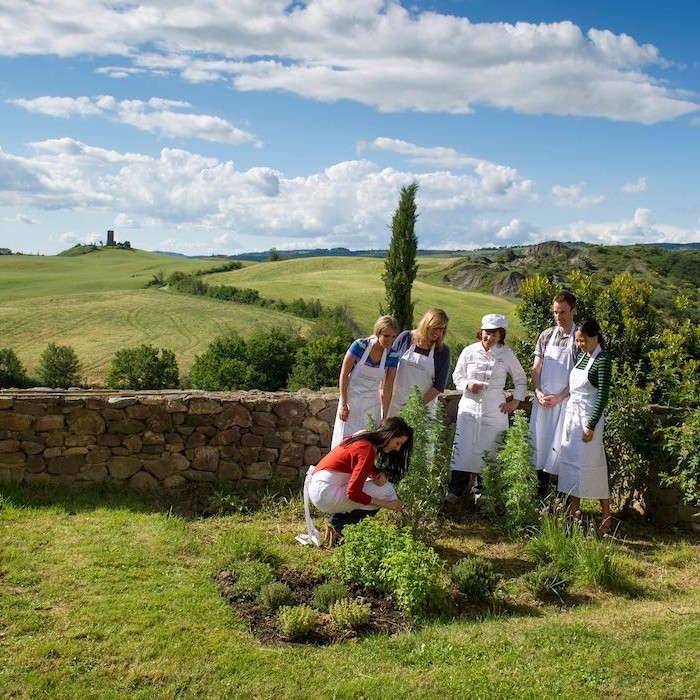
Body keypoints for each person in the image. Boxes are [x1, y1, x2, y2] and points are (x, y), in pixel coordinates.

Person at [447, 313, 527, 503]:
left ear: (501, 335)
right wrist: (468, 385)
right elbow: (457, 377)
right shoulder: (469, 351)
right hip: (469, 407)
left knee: (490, 450)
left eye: (494, 334)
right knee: (463, 448)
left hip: (494, 409)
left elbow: (520, 380)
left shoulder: (506, 355)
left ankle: (481, 491)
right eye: (486, 333)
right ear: (480, 332)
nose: (489, 337)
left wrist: (515, 401)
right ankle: (455, 490)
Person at [297, 417, 413, 546]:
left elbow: (356, 463)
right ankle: (341, 530)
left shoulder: (362, 436)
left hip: (320, 488)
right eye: (397, 443)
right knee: (386, 490)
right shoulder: (367, 449)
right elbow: (353, 493)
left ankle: (335, 523)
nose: (397, 449)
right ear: (389, 435)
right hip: (325, 494)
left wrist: (375, 473)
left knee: (380, 488)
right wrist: (387, 504)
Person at [550, 319, 613, 533]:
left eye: (583, 340)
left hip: (588, 418)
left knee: (592, 464)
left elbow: (603, 396)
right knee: (570, 463)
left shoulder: (602, 361)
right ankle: (573, 513)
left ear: (595, 337)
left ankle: (606, 515)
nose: (580, 344)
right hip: (573, 416)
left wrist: (591, 425)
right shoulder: (581, 358)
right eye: (577, 341)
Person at [529, 291, 578, 498]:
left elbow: (579, 375)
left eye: (563, 312)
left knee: (562, 446)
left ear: (574, 311)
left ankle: (562, 498)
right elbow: (536, 368)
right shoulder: (546, 335)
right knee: (540, 444)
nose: (559, 317)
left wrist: (560, 397)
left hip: (566, 402)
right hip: (543, 402)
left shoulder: (579, 338)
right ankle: (540, 494)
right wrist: (538, 391)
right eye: (556, 312)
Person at [331, 315, 400, 448]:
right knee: (344, 442)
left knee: (365, 444)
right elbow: (344, 374)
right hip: (352, 400)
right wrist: (344, 404)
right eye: (386, 336)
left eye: (393, 337)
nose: (390, 340)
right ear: (378, 332)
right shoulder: (360, 346)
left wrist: (384, 416)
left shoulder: (392, 355)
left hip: (371, 405)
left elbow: (387, 387)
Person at [387, 308, 451, 417]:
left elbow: (439, 386)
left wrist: (415, 407)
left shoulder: (442, 351)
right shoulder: (405, 338)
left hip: (421, 411)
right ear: (426, 324)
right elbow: (387, 366)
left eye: (441, 329)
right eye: (435, 328)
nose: (438, 333)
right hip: (394, 404)